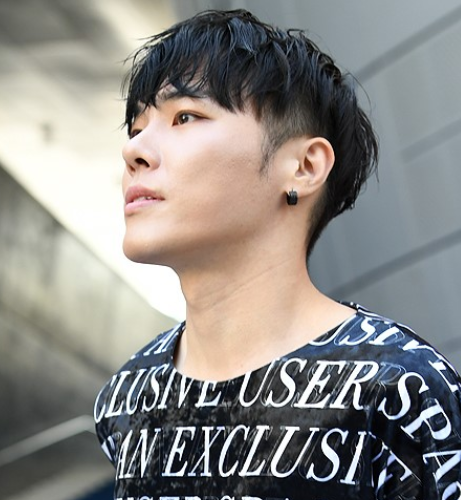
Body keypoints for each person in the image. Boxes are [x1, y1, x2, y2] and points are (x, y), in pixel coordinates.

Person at [94, 9, 461, 500]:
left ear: (304, 167)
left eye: (185, 117)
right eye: (137, 128)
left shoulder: (398, 392)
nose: (134, 151)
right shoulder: (125, 398)